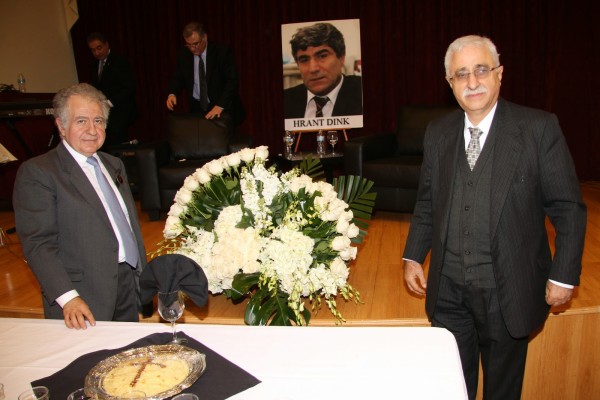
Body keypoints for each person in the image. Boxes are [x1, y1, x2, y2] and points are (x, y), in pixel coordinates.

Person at [402, 35, 586, 400]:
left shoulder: (538, 129)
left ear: (499, 74)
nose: (472, 82)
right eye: (461, 74)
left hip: (508, 291)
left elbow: (568, 207)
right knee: (453, 387)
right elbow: (427, 202)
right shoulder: (438, 133)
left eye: (481, 70)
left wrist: (563, 275)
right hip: (448, 290)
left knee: (502, 391)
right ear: (450, 83)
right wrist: (413, 255)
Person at [13, 83, 147, 330]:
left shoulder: (114, 164)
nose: (92, 130)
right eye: (81, 121)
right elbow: (38, 244)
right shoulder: (39, 172)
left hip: (126, 284)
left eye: (98, 121)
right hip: (82, 297)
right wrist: (68, 297)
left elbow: (128, 226)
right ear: (61, 126)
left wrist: (143, 279)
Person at [166, 22, 245, 127]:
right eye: (188, 44)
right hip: (197, 108)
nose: (192, 48)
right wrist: (172, 93)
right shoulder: (184, 54)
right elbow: (178, 77)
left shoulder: (221, 52)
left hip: (222, 107)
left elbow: (232, 81)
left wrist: (220, 106)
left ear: (204, 37)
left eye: (195, 44)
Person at [283, 22, 362, 119]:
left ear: (341, 57)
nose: (313, 69)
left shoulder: (362, 93)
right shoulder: (285, 100)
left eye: (322, 56)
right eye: (304, 60)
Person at [87, 32, 138, 147]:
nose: (97, 52)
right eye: (93, 50)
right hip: (103, 115)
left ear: (106, 45)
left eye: (99, 48)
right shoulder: (94, 64)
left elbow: (129, 87)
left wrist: (109, 102)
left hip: (120, 112)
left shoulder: (119, 61)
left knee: (119, 146)